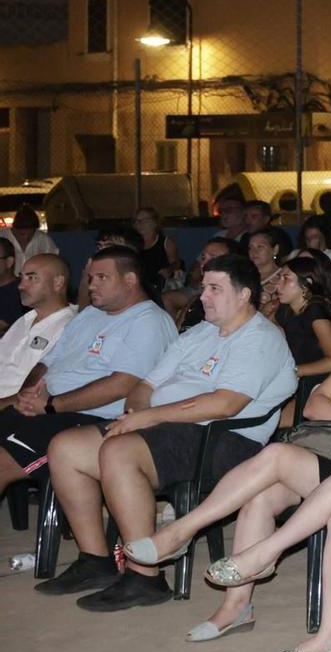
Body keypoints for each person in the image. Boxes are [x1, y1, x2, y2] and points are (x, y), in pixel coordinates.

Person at [147, 285, 331, 647]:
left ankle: (184, 530)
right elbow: (313, 407)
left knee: (275, 456)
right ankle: (236, 607)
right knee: (260, 497)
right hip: (322, 459)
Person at [36, 254, 297, 610]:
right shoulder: (201, 332)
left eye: (215, 289)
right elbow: (144, 385)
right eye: (204, 287)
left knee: (120, 451)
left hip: (222, 440)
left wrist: (149, 419)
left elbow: (224, 405)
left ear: (244, 294)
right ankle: (95, 560)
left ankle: (145, 576)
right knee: (65, 447)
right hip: (169, 427)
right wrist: (140, 411)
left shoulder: (260, 339)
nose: (203, 296)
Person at [0, 248, 178, 515]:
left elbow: (122, 384)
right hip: (45, 408)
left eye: (101, 278)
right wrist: (29, 394)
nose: (91, 285)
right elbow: (47, 362)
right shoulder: (89, 315)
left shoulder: (148, 321)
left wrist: (51, 405)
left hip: (89, 419)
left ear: (129, 280)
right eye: (90, 277)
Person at [0, 253, 75, 402]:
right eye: (21, 277)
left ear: (58, 283)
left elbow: (35, 393)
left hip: (15, 412)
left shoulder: (70, 327)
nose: (21, 285)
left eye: (31, 278)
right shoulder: (24, 320)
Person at [270, 253, 331, 393]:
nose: (278, 284)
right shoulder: (285, 309)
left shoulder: (315, 310)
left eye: (286, 278)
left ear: (307, 284)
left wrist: (293, 371)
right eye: (279, 277)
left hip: (318, 384)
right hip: (295, 382)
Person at [132, 206, 185, 297]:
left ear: (155, 223)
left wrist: (169, 270)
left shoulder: (166, 243)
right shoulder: (133, 244)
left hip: (161, 285)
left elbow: (176, 263)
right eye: (136, 221)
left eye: (143, 220)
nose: (139, 224)